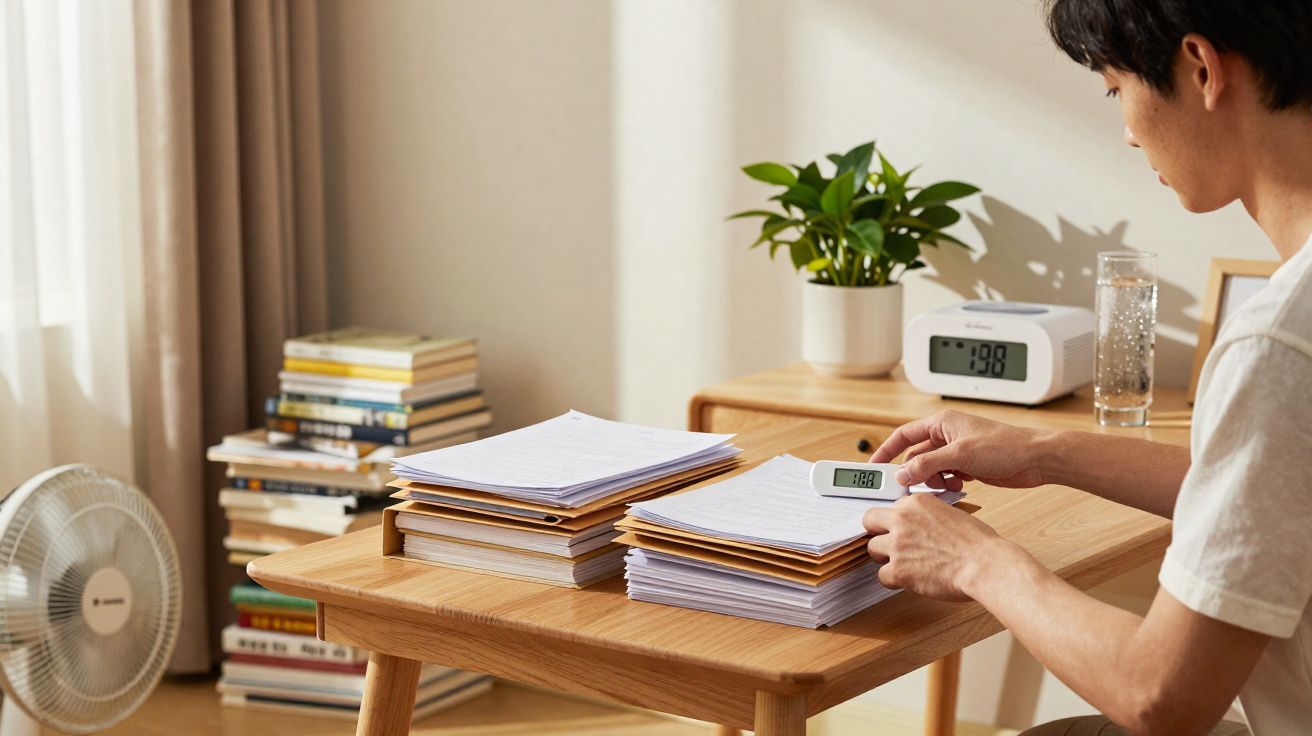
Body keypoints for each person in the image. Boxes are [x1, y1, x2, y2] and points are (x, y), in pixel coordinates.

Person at [861, 2, 1312, 734]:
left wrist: (975, 560)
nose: (1129, 132)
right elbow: (1279, 489)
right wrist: (1045, 451)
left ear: (1201, 68)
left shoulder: (1278, 340)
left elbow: (1161, 695)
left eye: (1115, 89)